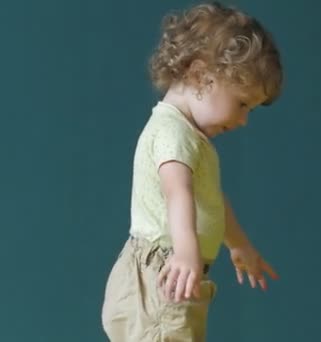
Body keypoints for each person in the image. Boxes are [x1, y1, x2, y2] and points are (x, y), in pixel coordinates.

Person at [101, 2, 283, 340]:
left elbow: (210, 200)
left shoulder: (190, 137)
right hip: (162, 275)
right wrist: (186, 252)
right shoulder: (173, 133)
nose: (243, 120)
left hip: (173, 271)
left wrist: (238, 245)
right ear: (201, 76)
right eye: (242, 103)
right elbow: (177, 193)